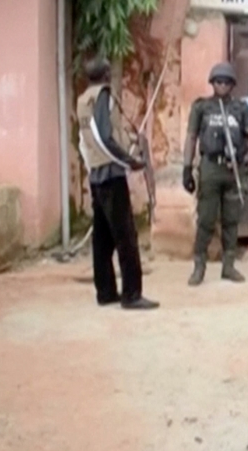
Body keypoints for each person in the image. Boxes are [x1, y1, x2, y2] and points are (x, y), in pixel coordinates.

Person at [75, 58, 159, 310]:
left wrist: (92, 167)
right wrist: (127, 161)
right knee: (126, 236)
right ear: (106, 74)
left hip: (97, 175)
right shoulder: (104, 96)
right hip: (111, 175)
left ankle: (106, 292)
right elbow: (104, 136)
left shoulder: (82, 100)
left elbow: (84, 140)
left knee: (102, 239)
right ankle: (132, 294)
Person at [182, 62, 248, 286]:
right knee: (206, 219)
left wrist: (243, 149)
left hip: (232, 169)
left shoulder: (240, 108)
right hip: (210, 168)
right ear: (212, 83)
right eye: (218, 81)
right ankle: (199, 267)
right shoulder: (202, 107)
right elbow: (191, 137)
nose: (222, 85)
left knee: (231, 220)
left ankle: (229, 266)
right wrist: (187, 168)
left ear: (232, 84)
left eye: (226, 82)